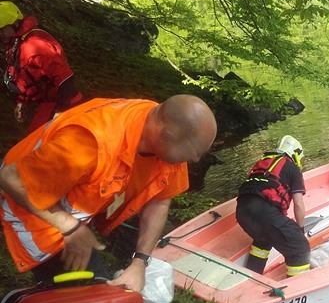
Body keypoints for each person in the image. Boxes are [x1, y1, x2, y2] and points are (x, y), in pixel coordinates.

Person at [0, 95, 217, 292]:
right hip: (24, 196)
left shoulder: (164, 133)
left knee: (93, 293)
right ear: (167, 135)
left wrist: (140, 263)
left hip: (65, 197)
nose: (196, 160)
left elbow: (160, 200)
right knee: (86, 296)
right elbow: (11, 179)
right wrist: (69, 227)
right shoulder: (90, 142)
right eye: (195, 153)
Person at [0, 1, 84, 133]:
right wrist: (21, 102)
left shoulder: (34, 45)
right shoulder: (15, 43)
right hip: (48, 103)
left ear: (15, 24)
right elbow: (22, 76)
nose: (0, 34)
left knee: (39, 146)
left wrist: (60, 113)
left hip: (65, 103)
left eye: (1, 29)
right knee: (33, 142)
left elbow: (66, 79)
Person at [236, 135, 310, 277]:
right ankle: (296, 287)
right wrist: (300, 230)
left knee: (263, 240)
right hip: (264, 212)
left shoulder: (263, 163)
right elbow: (298, 205)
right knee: (299, 246)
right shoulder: (293, 169)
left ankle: (251, 279)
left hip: (242, 212)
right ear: (296, 155)